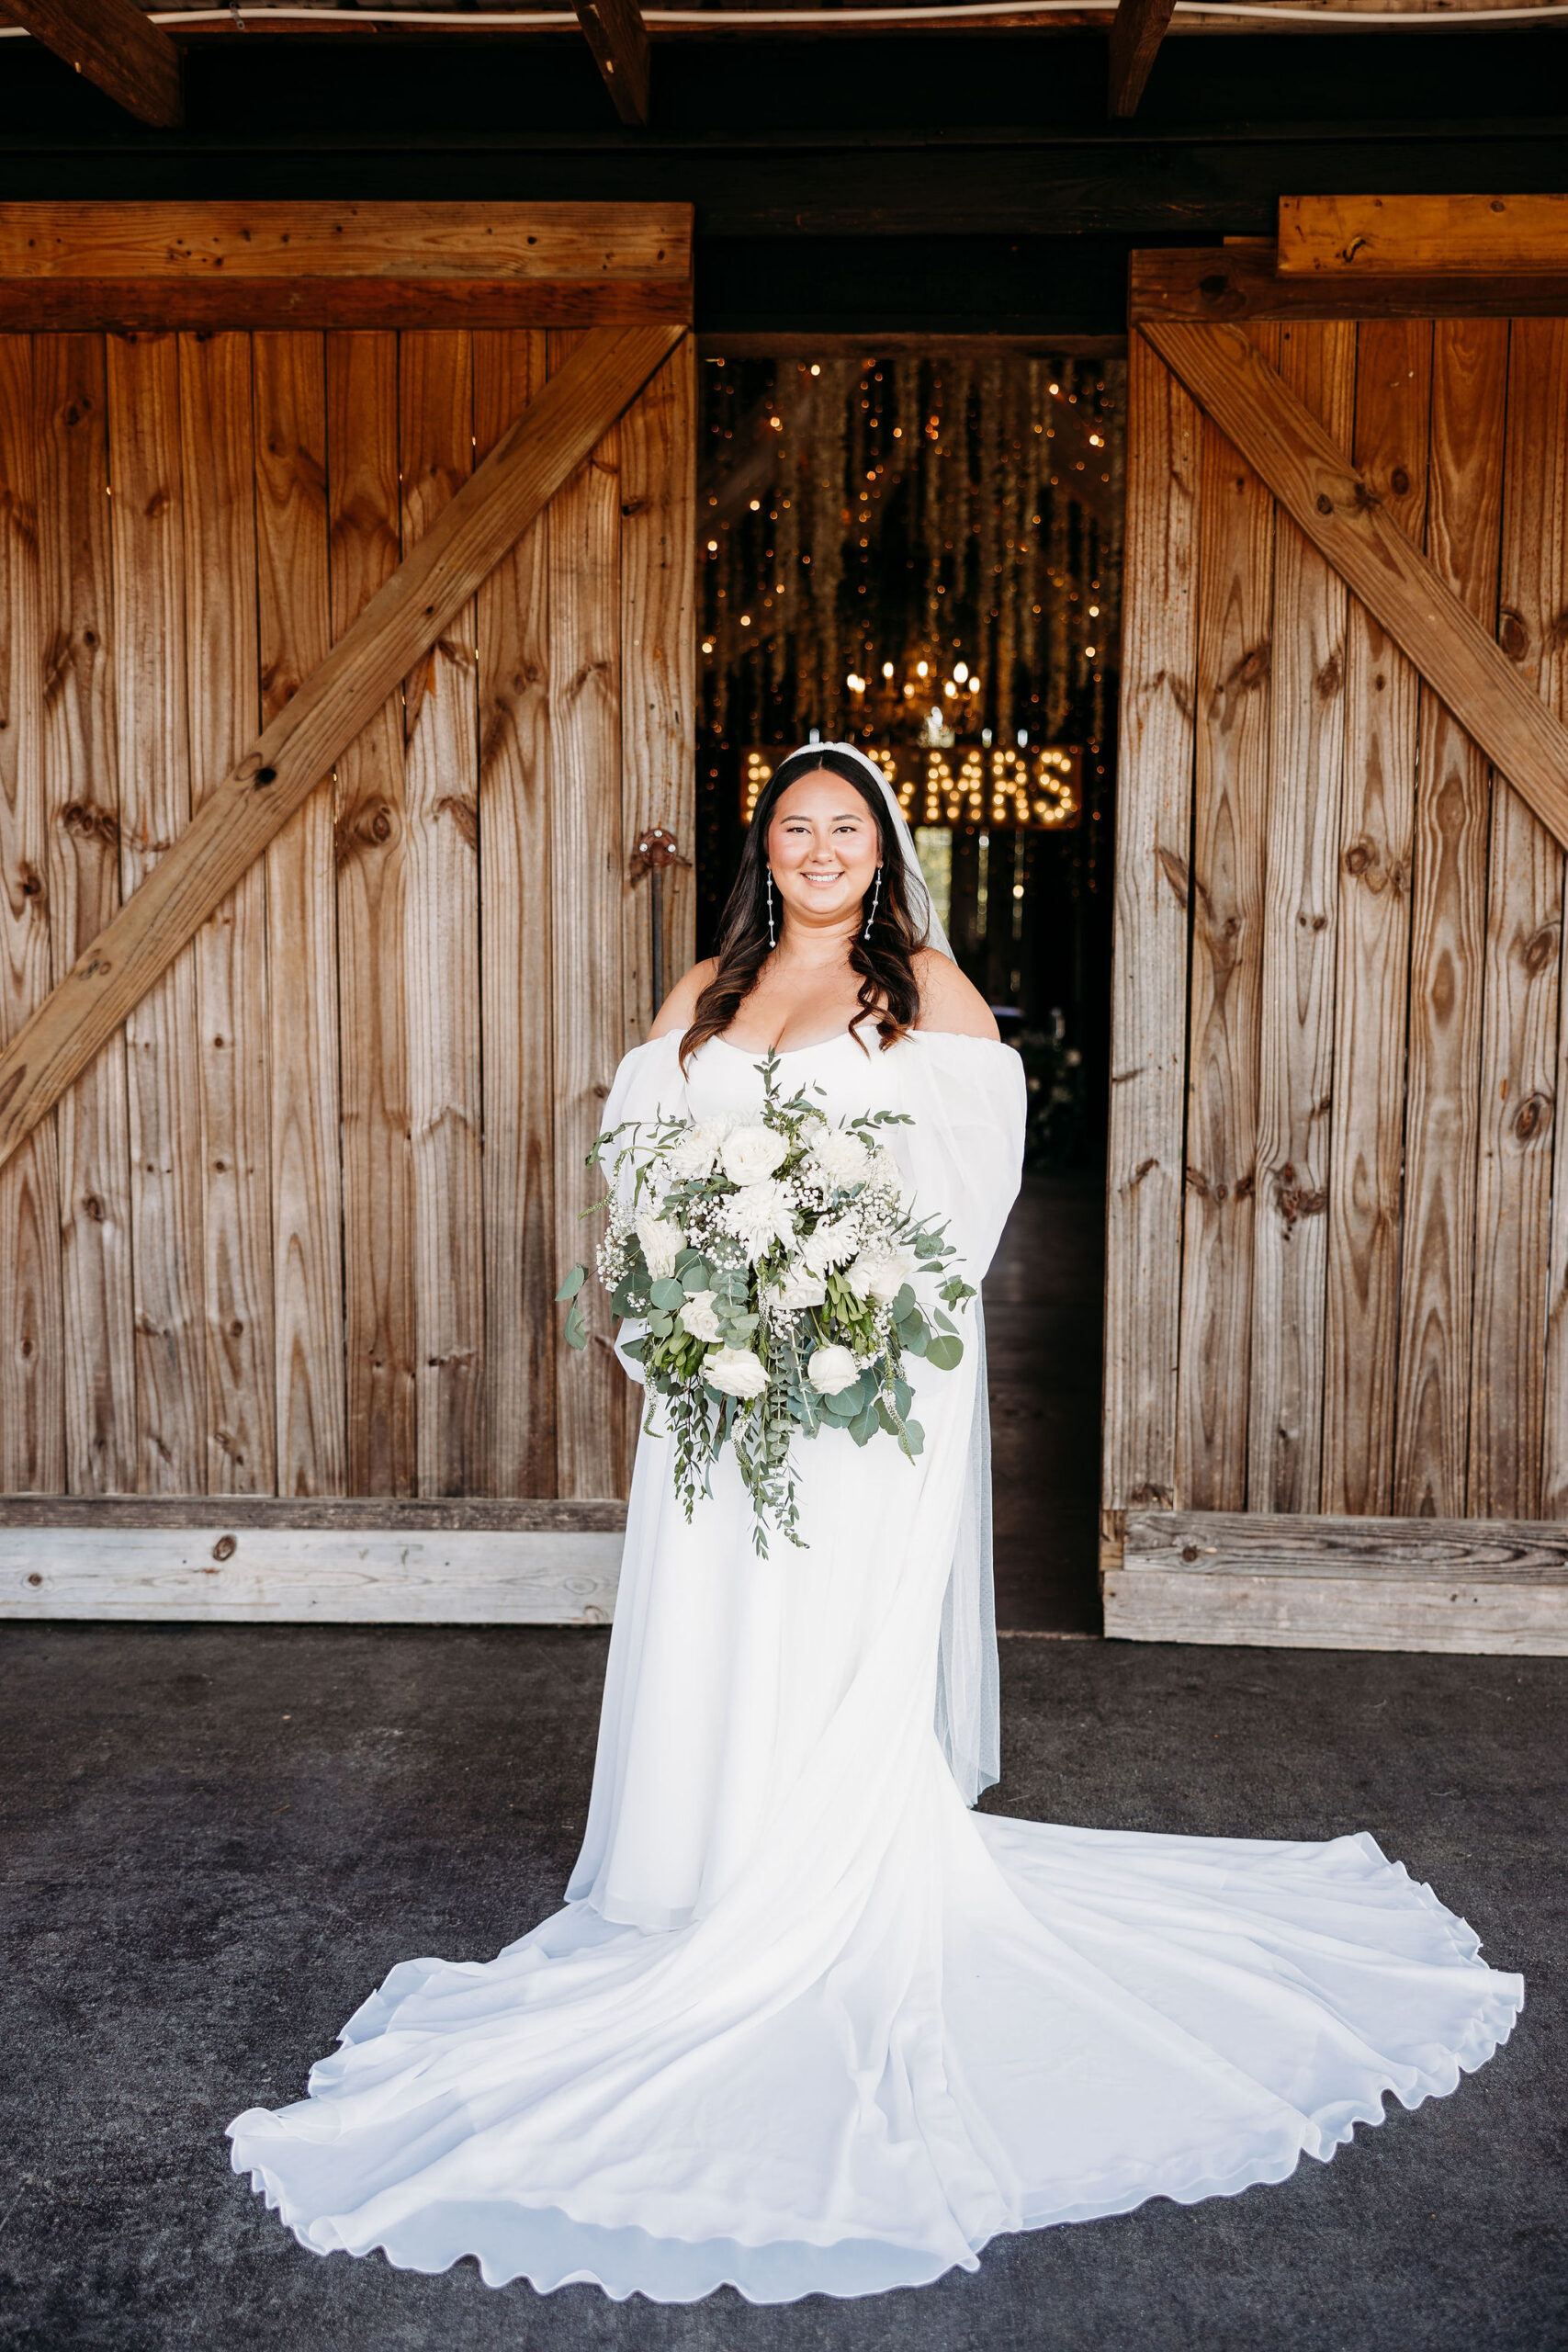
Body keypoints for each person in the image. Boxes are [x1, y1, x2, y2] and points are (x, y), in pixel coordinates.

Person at [229, 741, 1523, 2303]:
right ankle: (701, 1862)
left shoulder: (928, 991)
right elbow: (640, 1171)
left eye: (847, 828)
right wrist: (688, 1306)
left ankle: (812, 1871)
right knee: (721, 1614)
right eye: (796, 828)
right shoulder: (706, 989)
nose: (822, 849)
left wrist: (836, 1299)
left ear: (881, 849)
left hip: (850, 1396)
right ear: (763, 850)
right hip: (722, 1380)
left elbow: (968, 1198)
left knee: (827, 1624)